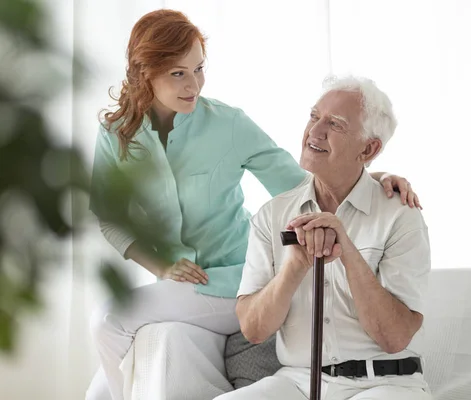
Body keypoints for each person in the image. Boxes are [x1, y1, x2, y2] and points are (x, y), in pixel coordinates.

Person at [86, 9, 422, 400]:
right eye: (178, 73)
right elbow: (109, 219)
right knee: (97, 390)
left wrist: (372, 176)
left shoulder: (227, 124)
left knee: (108, 320)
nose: (194, 84)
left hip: (236, 280)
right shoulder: (116, 135)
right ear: (145, 73)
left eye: (199, 68)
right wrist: (161, 265)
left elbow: (299, 181)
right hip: (182, 287)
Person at [216, 75, 431, 400]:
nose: (314, 132)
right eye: (314, 116)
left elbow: (395, 338)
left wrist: (347, 252)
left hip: (385, 385)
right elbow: (254, 329)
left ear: (369, 148)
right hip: (298, 382)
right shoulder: (272, 215)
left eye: (336, 124)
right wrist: (294, 267)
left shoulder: (400, 215)